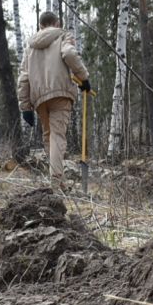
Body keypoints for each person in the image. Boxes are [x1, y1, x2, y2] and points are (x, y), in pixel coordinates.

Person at [16, 11, 90, 186]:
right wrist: (84, 78)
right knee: (57, 135)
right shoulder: (63, 35)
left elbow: (23, 77)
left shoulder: (30, 47)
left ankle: (58, 180)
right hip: (60, 93)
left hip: (39, 97)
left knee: (49, 136)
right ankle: (56, 181)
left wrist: (25, 106)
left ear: (41, 26)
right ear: (56, 23)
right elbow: (70, 55)